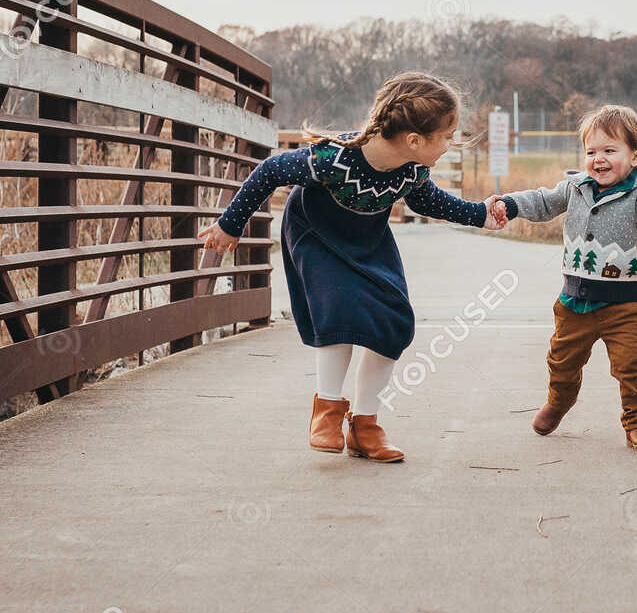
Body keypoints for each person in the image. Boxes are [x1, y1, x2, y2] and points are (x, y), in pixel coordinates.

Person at [198, 72, 507, 463]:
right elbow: (271, 171)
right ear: (415, 140)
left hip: (368, 238)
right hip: (316, 232)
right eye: (447, 136)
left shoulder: (411, 169)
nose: (450, 144)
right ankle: (327, 410)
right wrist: (231, 223)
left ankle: (365, 426)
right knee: (338, 308)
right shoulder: (335, 158)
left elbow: (429, 203)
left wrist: (480, 215)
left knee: (392, 322)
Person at [495, 105, 637, 452]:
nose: (598, 159)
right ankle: (558, 402)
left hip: (625, 304)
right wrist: (510, 204)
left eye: (610, 151)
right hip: (574, 303)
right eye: (591, 151)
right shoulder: (575, 187)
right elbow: (542, 201)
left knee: (634, 366)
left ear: (635, 156)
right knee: (561, 360)